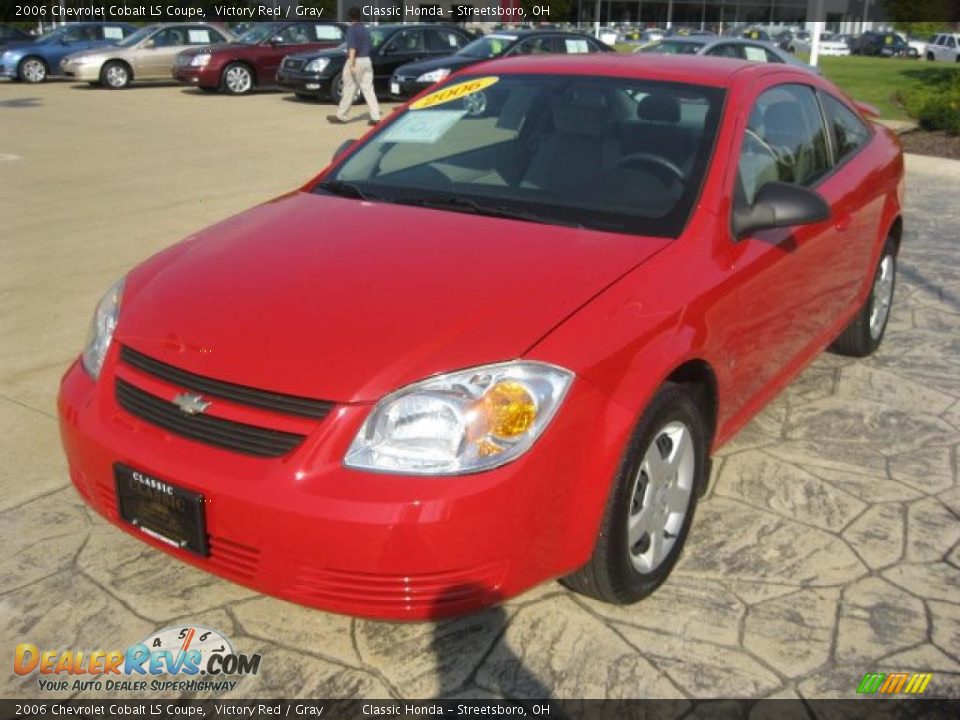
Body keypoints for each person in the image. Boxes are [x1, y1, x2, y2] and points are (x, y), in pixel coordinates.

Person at [327, 8, 380, 127]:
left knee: (349, 88)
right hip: (366, 60)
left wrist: (351, 64)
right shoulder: (366, 30)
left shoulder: (352, 30)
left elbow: (352, 48)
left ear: (349, 17)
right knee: (368, 89)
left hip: (356, 60)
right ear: (360, 17)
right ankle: (375, 116)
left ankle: (342, 115)